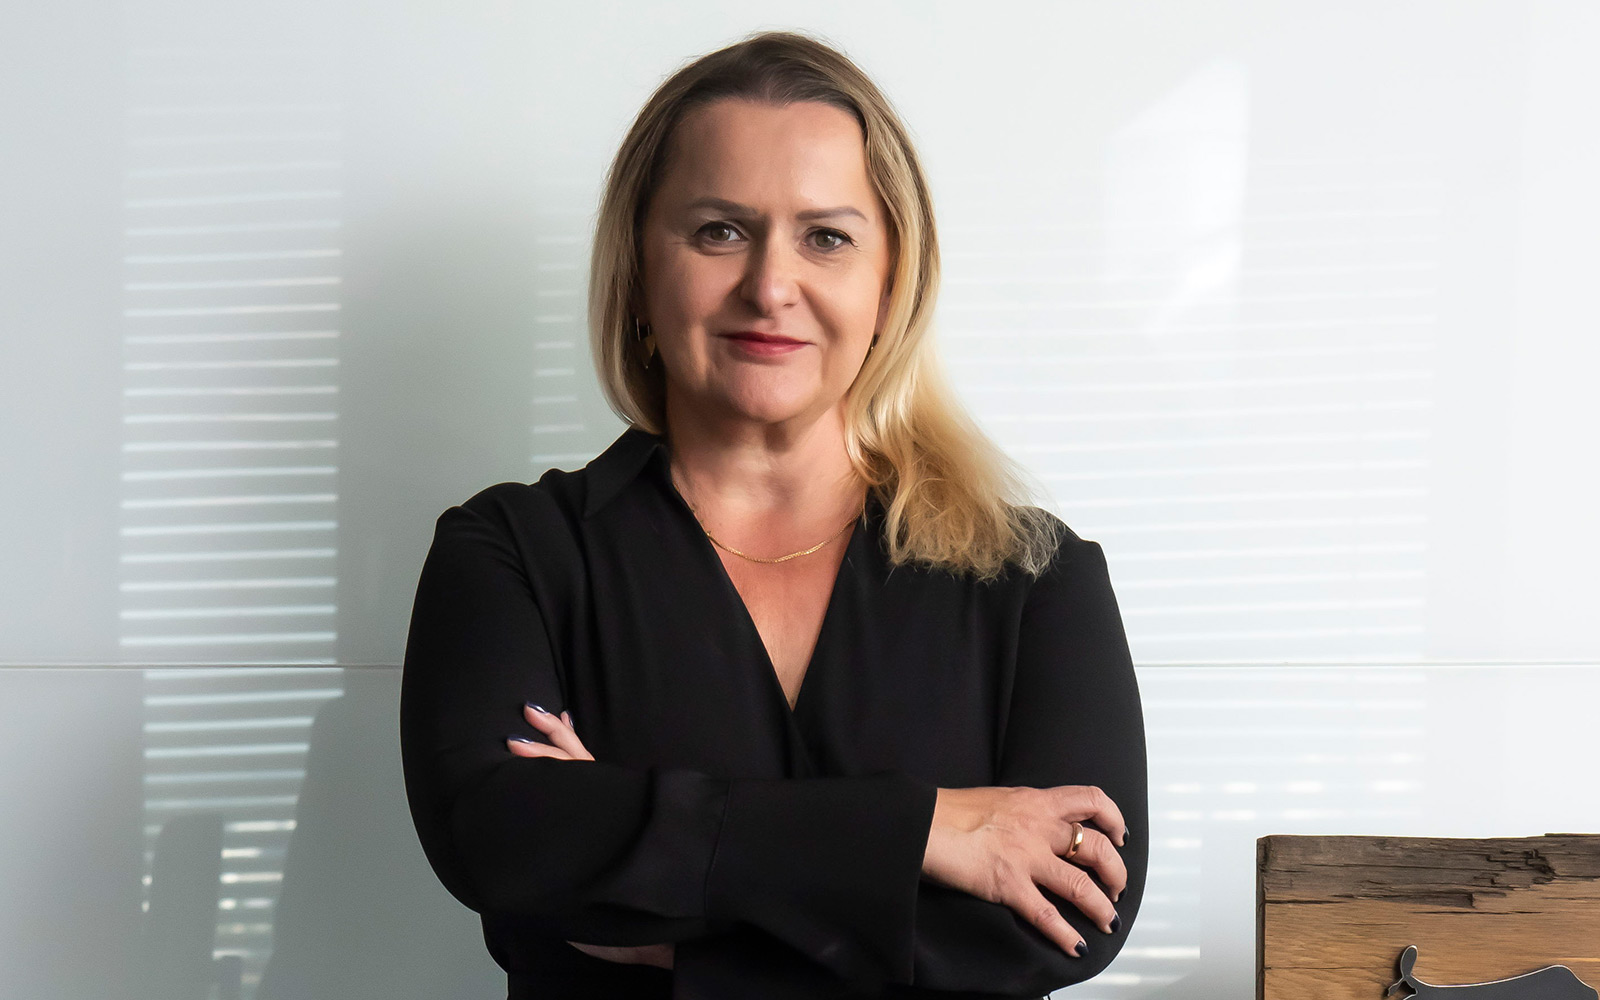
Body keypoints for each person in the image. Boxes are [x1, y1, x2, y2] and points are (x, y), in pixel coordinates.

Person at [400, 29, 1147, 1000]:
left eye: (826, 237)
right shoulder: (511, 555)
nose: (769, 286)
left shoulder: (1035, 579)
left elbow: (1075, 912)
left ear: (889, 283)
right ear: (639, 270)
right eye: (719, 230)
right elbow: (505, 837)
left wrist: (676, 921)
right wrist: (927, 829)